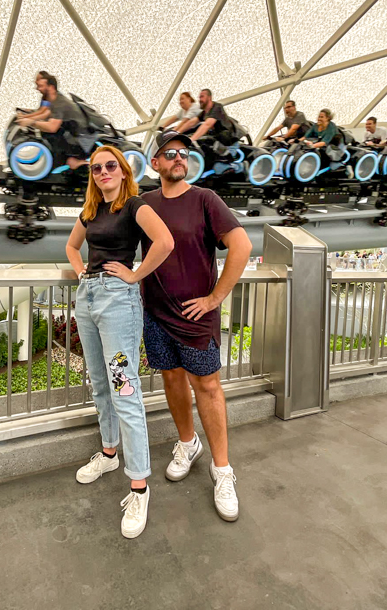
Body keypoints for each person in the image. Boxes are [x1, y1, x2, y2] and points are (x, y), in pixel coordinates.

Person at [139, 128, 253, 522]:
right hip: (155, 313)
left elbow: (241, 246)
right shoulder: (145, 203)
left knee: (206, 385)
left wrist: (214, 298)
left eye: (182, 153)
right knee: (171, 378)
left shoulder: (205, 199)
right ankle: (187, 444)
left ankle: (222, 471)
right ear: (155, 163)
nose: (178, 158)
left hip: (195, 317)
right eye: (169, 153)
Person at [66, 145, 174, 539]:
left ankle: (140, 485)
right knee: (100, 383)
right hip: (88, 298)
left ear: (123, 171)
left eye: (110, 165)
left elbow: (164, 242)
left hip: (117, 300)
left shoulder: (134, 206)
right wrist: (80, 271)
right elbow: (71, 246)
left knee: (123, 388)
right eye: (96, 168)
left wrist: (134, 275)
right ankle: (110, 453)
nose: (103, 172)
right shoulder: (91, 211)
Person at [21, 74, 91, 170]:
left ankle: (75, 162)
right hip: (73, 134)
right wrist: (28, 117)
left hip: (80, 142)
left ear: (51, 87)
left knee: (49, 135)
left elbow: (52, 127)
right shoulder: (54, 98)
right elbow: (45, 114)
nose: (37, 89)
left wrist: (31, 122)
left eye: (41, 86)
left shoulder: (59, 103)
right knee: (44, 133)